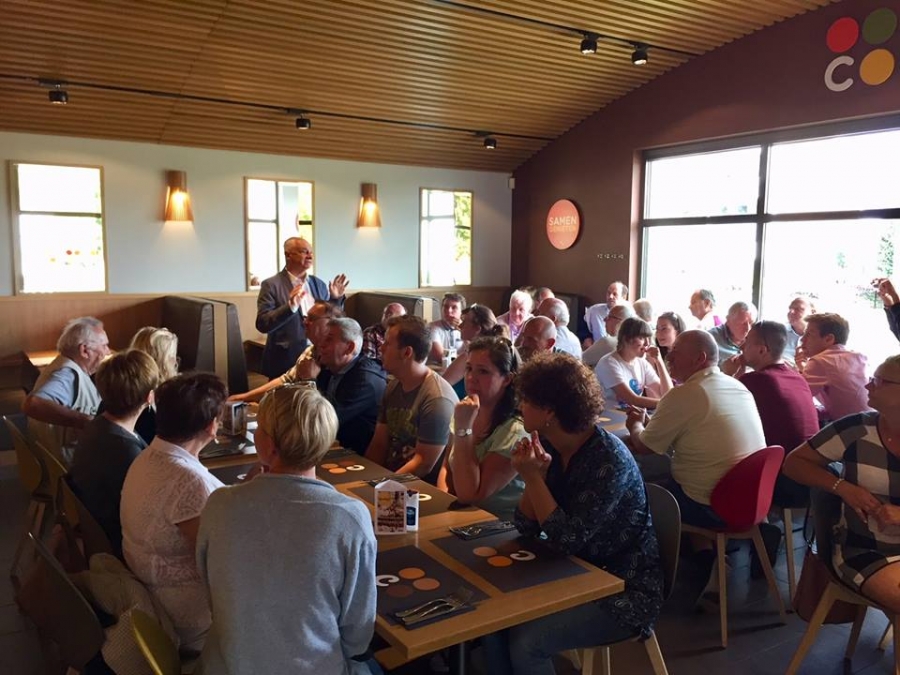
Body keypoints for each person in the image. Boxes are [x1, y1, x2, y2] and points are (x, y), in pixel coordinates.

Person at [484, 352, 663, 673]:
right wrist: (534, 476)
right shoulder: (551, 445)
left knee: (528, 642)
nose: (519, 406)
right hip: (573, 570)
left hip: (623, 587)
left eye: (527, 400)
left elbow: (566, 539)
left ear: (549, 412)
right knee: (491, 619)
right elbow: (525, 525)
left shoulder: (608, 460)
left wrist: (533, 478)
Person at [195, 387, 377, 675]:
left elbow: (213, 595)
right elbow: (358, 634)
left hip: (228, 664)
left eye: (260, 428)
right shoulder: (350, 518)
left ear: (269, 445)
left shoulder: (219, 505)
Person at [783, 355, 900, 612]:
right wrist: (842, 487)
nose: (867, 385)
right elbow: (793, 464)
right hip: (865, 550)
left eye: (879, 381)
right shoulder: (856, 429)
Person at [120, 373, 228, 651]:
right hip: (186, 619)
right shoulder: (190, 483)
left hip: (147, 593)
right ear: (211, 426)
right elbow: (221, 563)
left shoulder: (147, 456)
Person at [69, 350, 159, 558]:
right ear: (149, 397)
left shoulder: (97, 426)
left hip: (96, 529)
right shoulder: (126, 450)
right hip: (121, 542)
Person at [439, 336, 527, 520]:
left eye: (483, 371)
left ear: (507, 379)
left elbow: (471, 495)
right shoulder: (466, 410)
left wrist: (464, 429)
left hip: (497, 525)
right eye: (469, 368)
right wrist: (442, 499)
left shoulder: (515, 430)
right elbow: (447, 466)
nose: (471, 378)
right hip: (460, 516)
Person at [736, 322, 819, 507]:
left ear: (762, 350)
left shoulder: (757, 380)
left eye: (747, 342)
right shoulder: (797, 377)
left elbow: (720, 403)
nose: (741, 346)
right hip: (811, 480)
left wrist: (733, 372)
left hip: (782, 481)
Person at [366, 316, 458, 482]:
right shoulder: (394, 386)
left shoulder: (437, 399)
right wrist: (364, 481)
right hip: (388, 480)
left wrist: (381, 486)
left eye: (388, 343)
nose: (381, 347)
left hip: (419, 488)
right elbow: (379, 444)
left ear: (407, 352)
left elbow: (422, 464)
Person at [255, 237, 349, 378]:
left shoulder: (319, 284)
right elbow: (263, 324)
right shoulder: (271, 285)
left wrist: (335, 299)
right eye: (304, 252)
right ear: (288, 255)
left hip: (318, 357)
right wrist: (290, 307)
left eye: (311, 252)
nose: (310, 256)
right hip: (285, 359)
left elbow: (330, 320)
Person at [23, 316, 110, 460]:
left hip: (49, 459)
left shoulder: (62, 365)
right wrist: (86, 421)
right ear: (84, 350)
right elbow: (32, 404)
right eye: (104, 346)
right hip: (68, 465)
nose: (108, 352)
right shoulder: (67, 374)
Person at [231, 301, 342, 402]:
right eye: (306, 317)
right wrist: (242, 398)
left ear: (331, 322)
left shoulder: (338, 358)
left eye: (312, 319)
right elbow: (286, 380)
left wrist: (309, 380)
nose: (305, 322)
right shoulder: (311, 351)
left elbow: (324, 411)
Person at [316, 318, 387, 454]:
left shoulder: (365, 379)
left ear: (349, 348)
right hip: (333, 445)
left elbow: (325, 422)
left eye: (329, 339)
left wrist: (308, 380)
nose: (321, 344)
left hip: (357, 454)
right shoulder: (327, 368)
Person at [797, 312, 872, 422]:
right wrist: (802, 368)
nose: (802, 339)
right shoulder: (859, 357)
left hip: (853, 427)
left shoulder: (821, 361)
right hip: (873, 421)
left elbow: (797, 397)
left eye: (809, 334)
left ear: (828, 339)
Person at [595, 318, 671, 409]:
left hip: (632, 415)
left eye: (648, 338)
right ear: (626, 339)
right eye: (641, 338)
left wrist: (659, 361)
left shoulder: (642, 363)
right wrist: (669, 404)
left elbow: (667, 395)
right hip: (609, 416)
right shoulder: (609, 363)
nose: (647, 343)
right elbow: (632, 400)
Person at [129, 326, 179, 444]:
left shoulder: (127, 385)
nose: (175, 362)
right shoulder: (156, 396)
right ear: (162, 361)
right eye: (172, 356)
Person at [442, 304, 505, 395]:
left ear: (477, 329)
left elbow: (440, 386)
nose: (460, 326)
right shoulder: (493, 353)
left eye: (464, 322)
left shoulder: (468, 358)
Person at [582, 303, 635, 367]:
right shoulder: (631, 343)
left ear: (620, 321)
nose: (604, 319)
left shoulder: (608, 342)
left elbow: (579, 359)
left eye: (609, 317)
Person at [709, 300, 757, 367]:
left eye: (751, 323)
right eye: (743, 323)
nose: (748, 328)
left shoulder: (758, 338)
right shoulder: (710, 340)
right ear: (728, 320)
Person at [429, 292, 466, 363]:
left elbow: (474, 351)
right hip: (438, 367)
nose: (449, 311)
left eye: (454, 307)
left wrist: (463, 330)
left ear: (462, 312)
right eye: (446, 306)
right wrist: (465, 360)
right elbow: (441, 356)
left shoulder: (467, 328)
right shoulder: (432, 327)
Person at [784, 295, 815, 362]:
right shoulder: (778, 333)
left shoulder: (821, 337)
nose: (791, 312)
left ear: (812, 312)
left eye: (798, 309)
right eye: (790, 309)